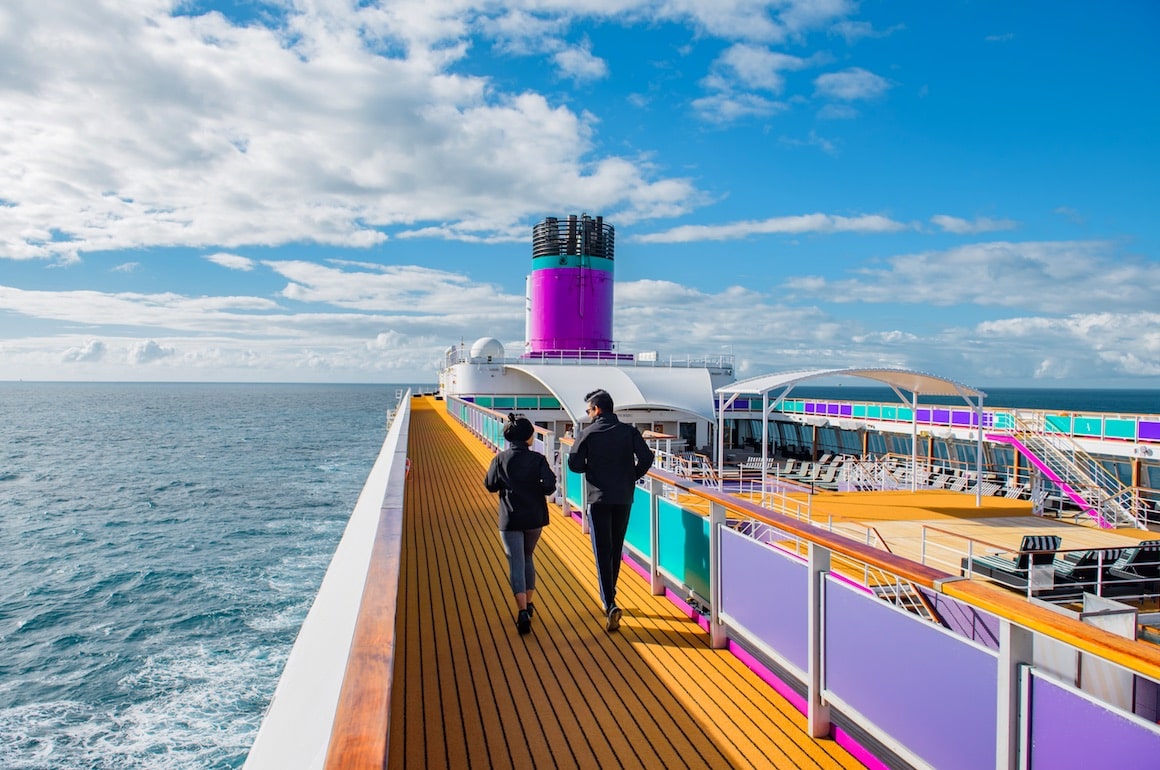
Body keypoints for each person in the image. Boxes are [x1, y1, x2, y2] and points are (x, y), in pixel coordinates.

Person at [567, 389, 654, 632]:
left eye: (588, 410)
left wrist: (591, 467)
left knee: (602, 550)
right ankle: (611, 596)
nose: (588, 414)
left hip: (598, 498)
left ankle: (610, 602)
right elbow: (647, 458)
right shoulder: (629, 432)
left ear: (596, 409)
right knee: (615, 549)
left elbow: (574, 465)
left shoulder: (588, 433)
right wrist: (631, 477)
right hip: (624, 497)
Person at [484, 414, 557, 635]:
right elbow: (550, 486)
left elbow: (490, 485)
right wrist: (537, 489)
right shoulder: (538, 459)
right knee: (527, 557)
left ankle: (522, 610)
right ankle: (529, 602)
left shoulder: (500, 459)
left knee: (515, 561)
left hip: (510, 517)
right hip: (534, 517)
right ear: (528, 437)